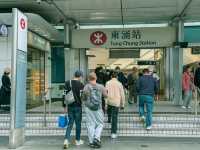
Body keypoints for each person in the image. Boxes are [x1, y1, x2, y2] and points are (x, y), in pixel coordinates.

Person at [82, 72, 107, 148]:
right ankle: (96, 138)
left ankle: (91, 142)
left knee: (90, 125)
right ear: (96, 78)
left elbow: (83, 98)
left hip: (89, 108)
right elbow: (106, 95)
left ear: (88, 79)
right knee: (100, 124)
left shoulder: (86, 87)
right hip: (98, 108)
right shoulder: (101, 86)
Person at [63, 70, 84, 149]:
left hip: (70, 106)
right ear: (80, 76)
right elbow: (83, 96)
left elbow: (64, 94)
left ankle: (66, 140)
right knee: (78, 123)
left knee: (70, 123)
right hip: (78, 106)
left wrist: (64, 106)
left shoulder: (67, 83)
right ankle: (77, 140)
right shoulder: (81, 85)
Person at [105, 71, 125, 139]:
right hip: (116, 102)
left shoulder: (107, 83)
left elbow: (105, 94)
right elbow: (122, 95)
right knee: (115, 117)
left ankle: (109, 120)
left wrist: (105, 103)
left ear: (111, 77)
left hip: (109, 101)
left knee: (109, 112)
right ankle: (113, 133)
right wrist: (123, 104)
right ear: (117, 77)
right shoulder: (119, 84)